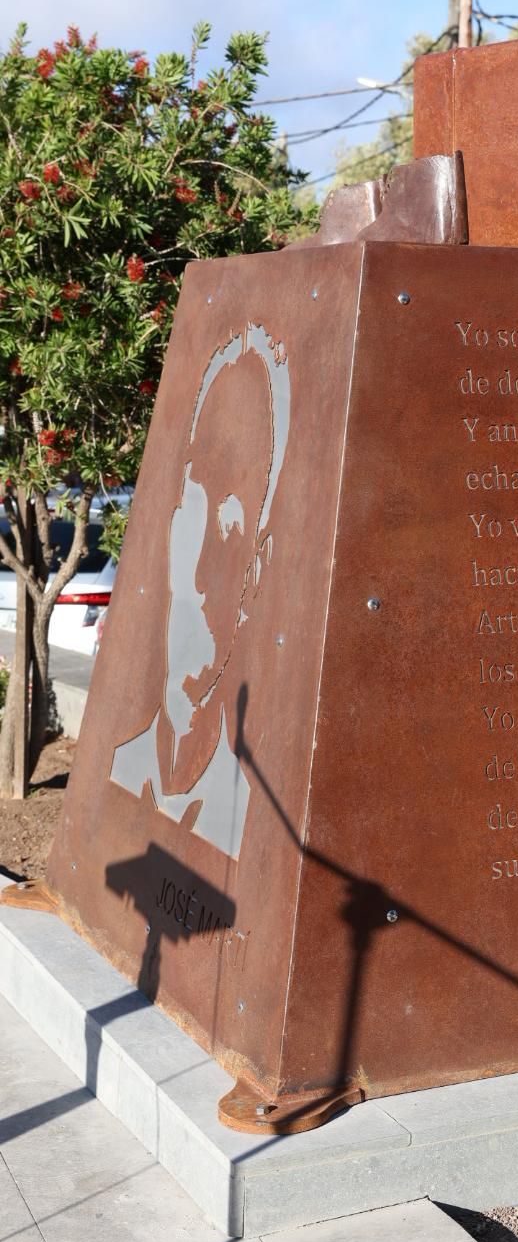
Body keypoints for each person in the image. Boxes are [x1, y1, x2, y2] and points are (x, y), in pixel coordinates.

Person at [110, 322, 290, 860]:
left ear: (255, 575)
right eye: (193, 497)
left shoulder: (251, 816)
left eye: (231, 517)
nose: (200, 560)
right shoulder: (122, 764)